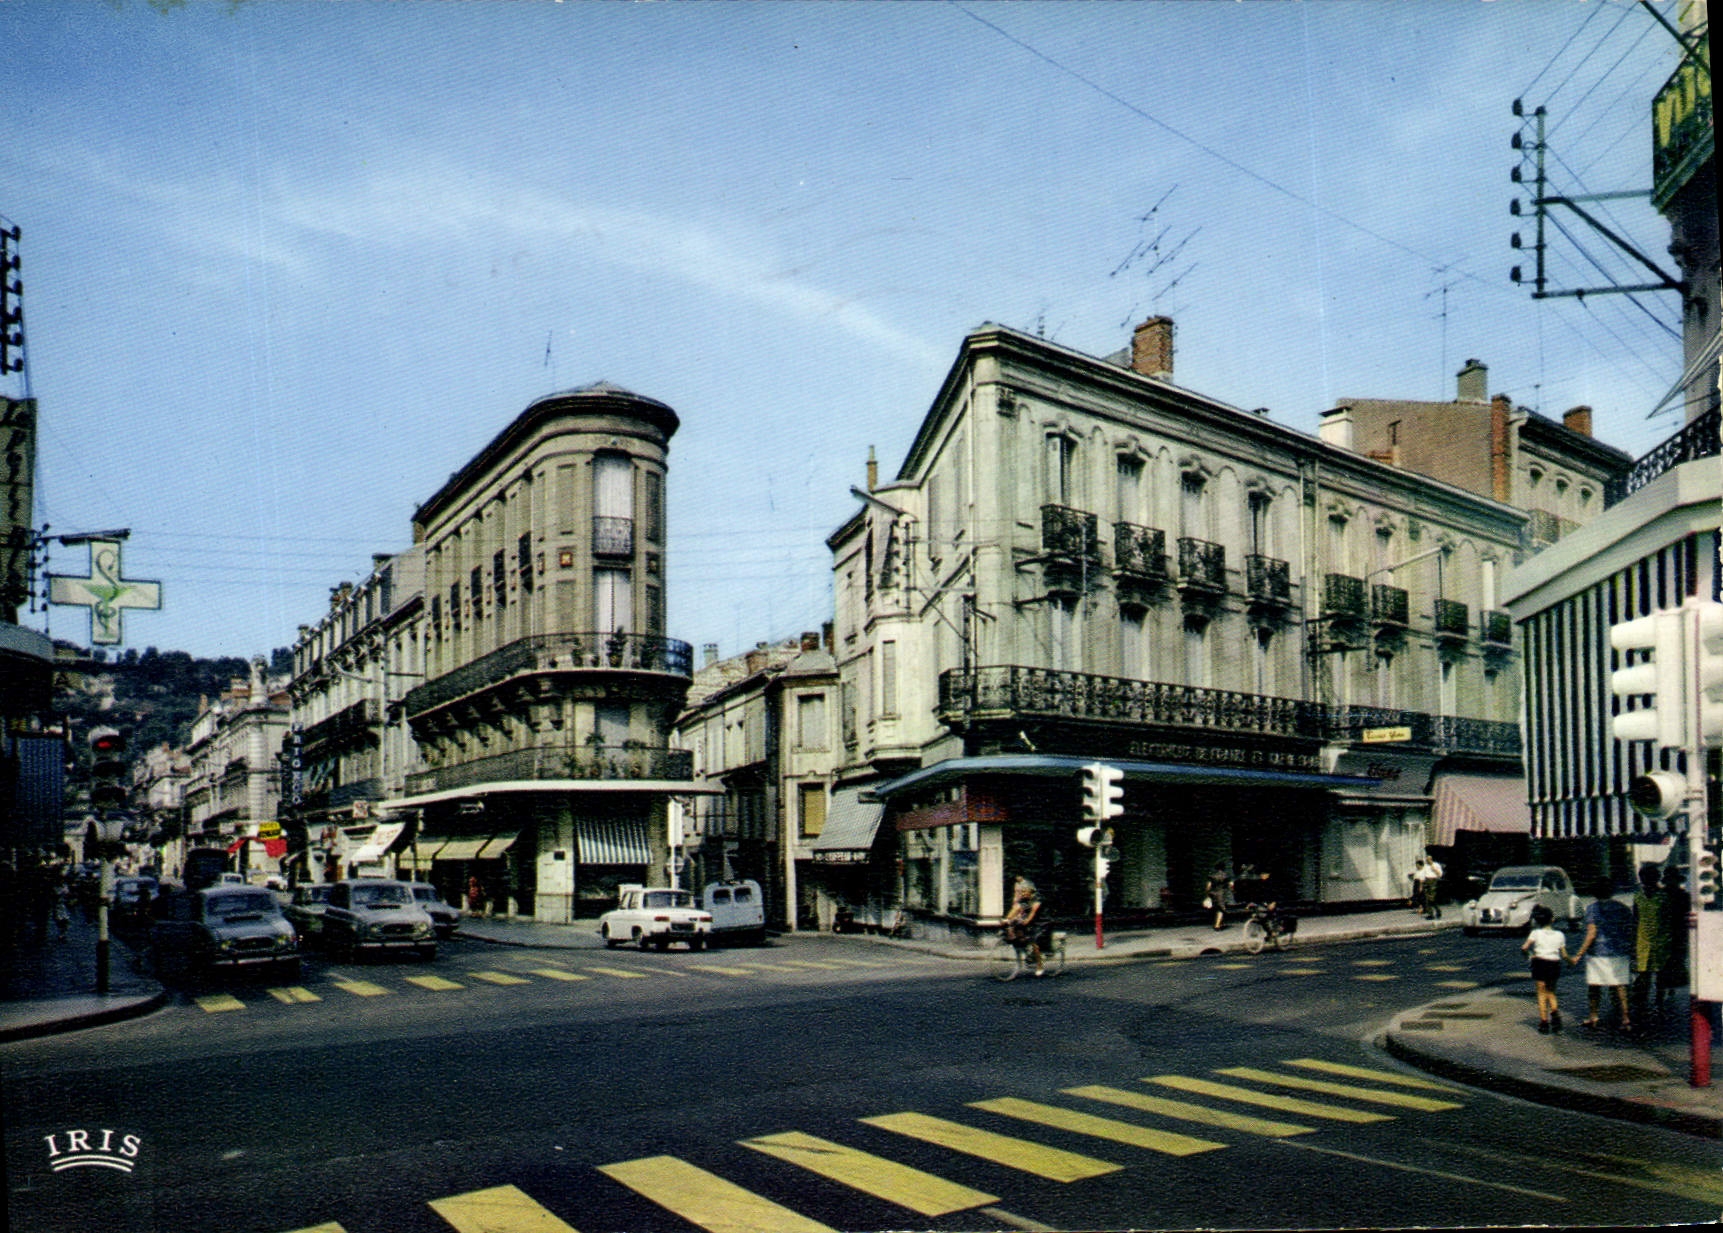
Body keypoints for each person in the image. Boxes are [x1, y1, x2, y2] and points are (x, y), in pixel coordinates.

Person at [1571, 878, 1634, 1033]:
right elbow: (1631, 929)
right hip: (1619, 951)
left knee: (1594, 987)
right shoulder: (1622, 908)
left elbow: (1591, 934)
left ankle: (1594, 1017)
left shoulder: (1592, 908)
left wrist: (1578, 954)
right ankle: (1626, 1018)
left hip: (1598, 953)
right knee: (1620, 986)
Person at [1630, 863, 1669, 1022]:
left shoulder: (1664, 896)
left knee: (1660, 975)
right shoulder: (1638, 896)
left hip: (1661, 940)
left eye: (1649, 878)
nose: (1646, 881)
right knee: (1643, 975)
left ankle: (1660, 1003)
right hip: (1642, 940)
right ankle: (1642, 1004)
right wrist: (1633, 942)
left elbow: (1668, 919)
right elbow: (1635, 919)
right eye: (1643, 878)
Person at [1521, 904, 1568, 1033]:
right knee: (1551, 992)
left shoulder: (1535, 933)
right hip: (1554, 963)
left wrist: (1528, 956)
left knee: (1541, 993)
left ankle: (1544, 1023)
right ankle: (1556, 1016)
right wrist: (1571, 961)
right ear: (1552, 919)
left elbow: (1524, 948)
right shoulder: (1559, 935)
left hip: (1539, 963)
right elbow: (1564, 954)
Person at [1002, 877, 1046, 976]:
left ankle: (1040, 965)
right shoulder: (1024, 901)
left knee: (1035, 942)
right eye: (1021, 892)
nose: (1022, 894)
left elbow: (1033, 913)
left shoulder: (1037, 899)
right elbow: (1016, 909)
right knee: (1018, 932)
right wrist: (1007, 919)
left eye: (1024, 891)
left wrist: (1026, 921)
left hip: (1039, 922)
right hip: (1029, 921)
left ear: (1030, 891)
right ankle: (1025, 949)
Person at [1205, 863, 1231, 931]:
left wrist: (1207, 894)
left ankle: (1218, 922)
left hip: (1213, 892)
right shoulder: (1225, 875)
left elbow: (1208, 886)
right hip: (1221, 893)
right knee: (1221, 909)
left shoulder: (1212, 875)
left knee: (1215, 908)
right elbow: (1231, 885)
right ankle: (1217, 925)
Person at [1421, 852, 1445, 920]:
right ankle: (1430, 914)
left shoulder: (1436, 865)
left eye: (1429, 859)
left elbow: (1440, 874)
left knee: (1431, 898)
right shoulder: (1425, 866)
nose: (1427, 860)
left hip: (1433, 881)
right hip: (1426, 881)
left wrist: (1433, 868)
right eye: (1426, 859)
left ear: (1431, 859)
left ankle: (1438, 910)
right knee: (1426, 898)